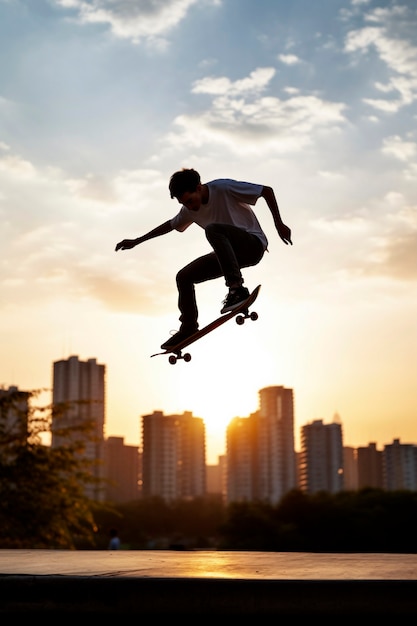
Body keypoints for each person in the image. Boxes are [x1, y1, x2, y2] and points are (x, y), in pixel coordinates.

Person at [115, 168, 292, 350]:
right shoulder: (188, 210)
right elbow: (169, 225)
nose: (191, 207)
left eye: (190, 201)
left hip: (252, 246)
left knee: (213, 229)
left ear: (199, 188)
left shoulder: (223, 188)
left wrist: (279, 224)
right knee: (184, 277)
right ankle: (188, 327)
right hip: (228, 256)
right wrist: (137, 241)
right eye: (185, 204)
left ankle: (236, 289)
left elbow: (266, 191)